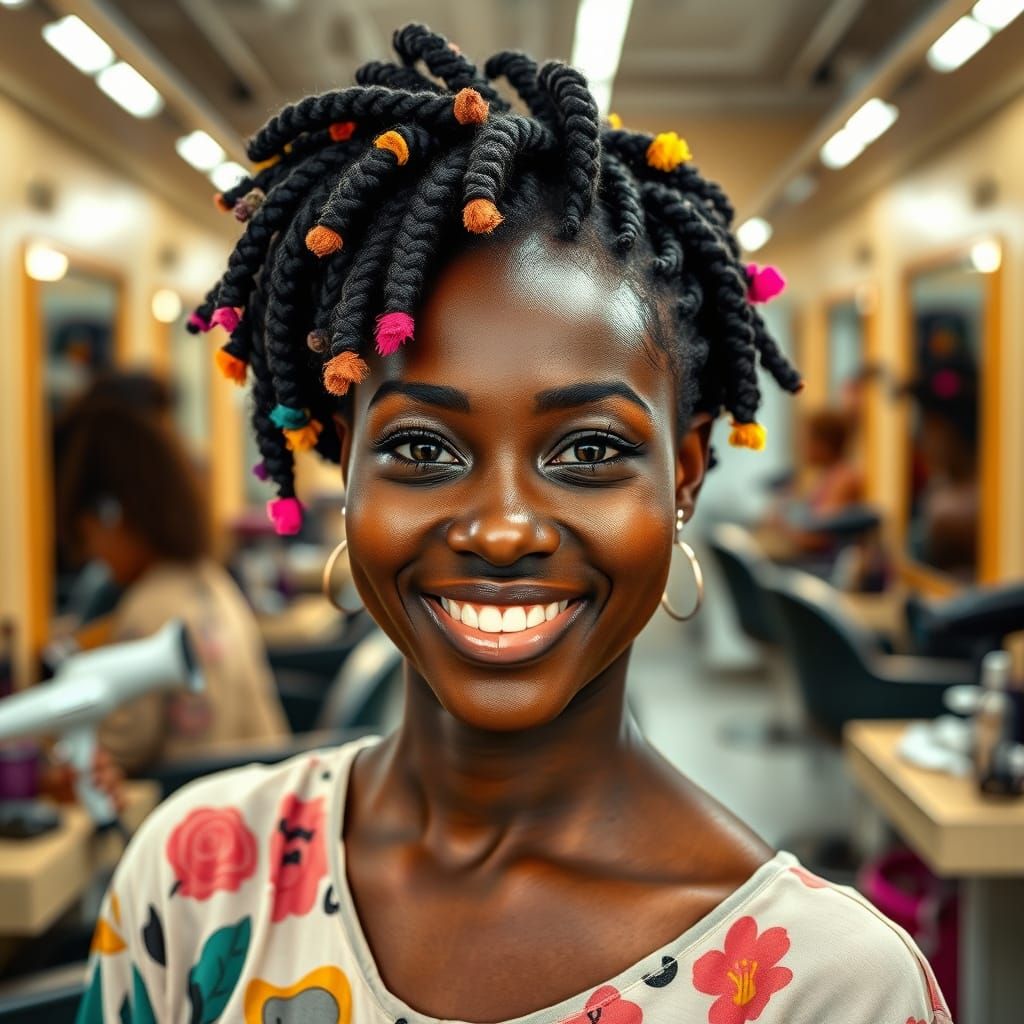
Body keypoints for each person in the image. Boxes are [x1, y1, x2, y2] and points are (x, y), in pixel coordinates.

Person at [75, 25, 951, 1024]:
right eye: (419, 450)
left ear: (685, 477)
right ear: (343, 468)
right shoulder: (194, 879)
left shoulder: (830, 989)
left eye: (585, 451)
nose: (500, 530)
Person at [56, 402, 289, 775]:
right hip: (260, 796)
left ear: (111, 516)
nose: (93, 557)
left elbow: (119, 750)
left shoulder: (149, 611)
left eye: (88, 536)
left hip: (201, 810)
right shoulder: (210, 579)